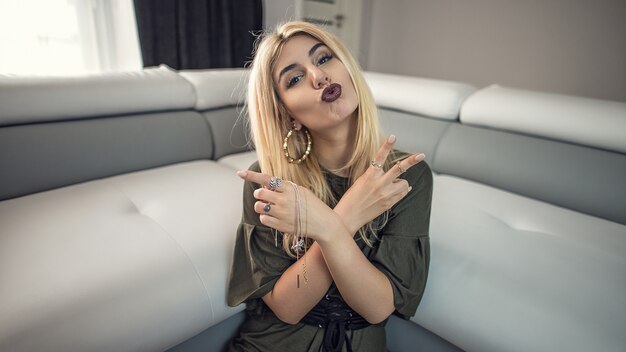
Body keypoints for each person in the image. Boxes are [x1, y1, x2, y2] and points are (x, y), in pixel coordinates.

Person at [226, 21, 432, 352]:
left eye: (323, 59)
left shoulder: (407, 174)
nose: (318, 76)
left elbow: (379, 307)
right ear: (287, 113)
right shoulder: (268, 180)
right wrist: (347, 217)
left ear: (347, 68)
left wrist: (326, 226)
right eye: (294, 78)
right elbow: (288, 309)